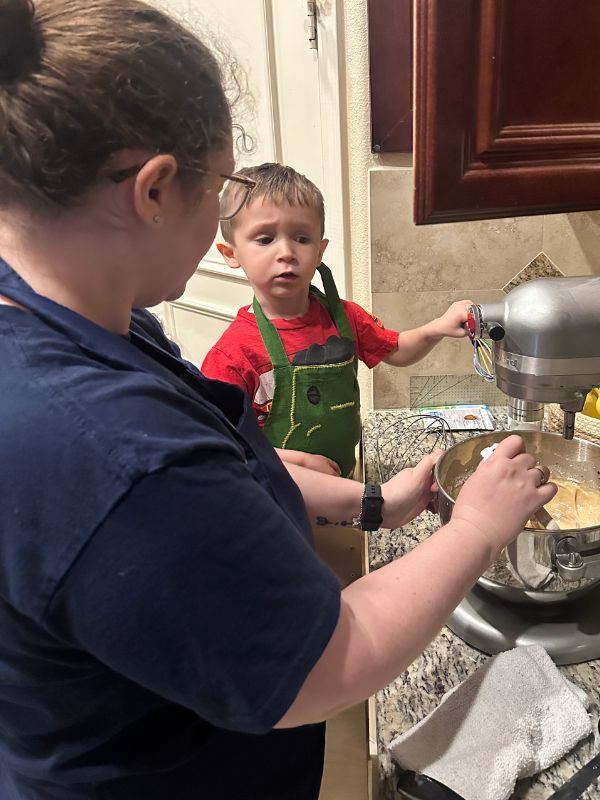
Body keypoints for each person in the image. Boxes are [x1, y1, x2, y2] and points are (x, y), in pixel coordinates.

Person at [0, 1, 557, 799]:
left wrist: (378, 502)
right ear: (156, 190)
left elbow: (217, 473)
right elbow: (330, 660)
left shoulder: (85, 322)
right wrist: (475, 526)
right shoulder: (113, 452)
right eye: (222, 188)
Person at [201, 162, 473, 478]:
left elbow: (397, 350)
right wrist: (297, 463)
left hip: (344, 472)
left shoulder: (344, 317)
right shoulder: (233, 355)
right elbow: (221, 442)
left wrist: (436, 327)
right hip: (277, 489)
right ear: (231, 253)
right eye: (265, 239)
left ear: (320, 251)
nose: (287, 252)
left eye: (302, 238)